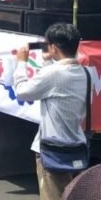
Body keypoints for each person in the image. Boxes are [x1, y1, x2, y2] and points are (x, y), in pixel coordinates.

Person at [13, 23, 88, 200]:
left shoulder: (53, 73)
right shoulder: (85, 72)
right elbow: (54, 87)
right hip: (77, 146)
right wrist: (47, 61)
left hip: (54, 151)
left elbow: (22, 92)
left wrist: (21, 63)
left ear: (53, 47)